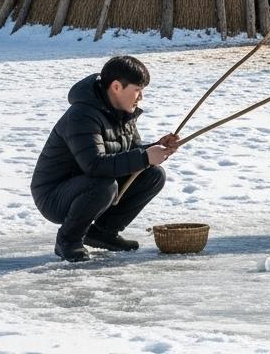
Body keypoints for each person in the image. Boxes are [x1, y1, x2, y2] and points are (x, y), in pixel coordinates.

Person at [31, 55, 178, 263]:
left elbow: (130, 154)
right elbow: (94, 164)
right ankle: (68, 240)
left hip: (90, 183)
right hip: (54, 195)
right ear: (117, 86)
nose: (141, 97)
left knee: (153, 175)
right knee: (104, 185)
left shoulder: (122, 112)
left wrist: (156, 148)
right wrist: (145, 157)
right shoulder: (82, 115)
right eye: (137, 90)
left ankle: (103, 233)